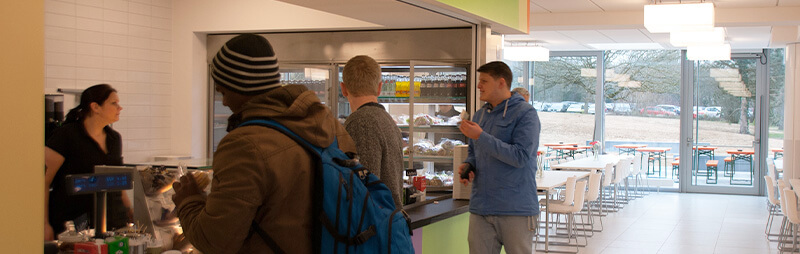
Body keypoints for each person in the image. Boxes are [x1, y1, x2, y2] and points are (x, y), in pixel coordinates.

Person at [171, 33, 357, 254]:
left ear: (241, 87)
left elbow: (216, 242)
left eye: (224, 91)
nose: (224, 102)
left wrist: (189, 200)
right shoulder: (331, 127)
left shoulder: (244, 146)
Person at [457, 61, 541, 254]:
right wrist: (469, 165)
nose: (479, 86)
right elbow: (474, 152)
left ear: (501, 83)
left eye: (484, 81)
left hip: (516, 209)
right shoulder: (479, 116)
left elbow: (520, 157)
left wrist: (481, 136)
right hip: (481, 208)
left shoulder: (526, 114)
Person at [44, 84, 128, 240]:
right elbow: (42, 181)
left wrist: (130, 213)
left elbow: (119, 181)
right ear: (95, 107)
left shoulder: (114, 138)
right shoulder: (66, 135)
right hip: (70, 226)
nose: (120, 108)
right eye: (113, 103)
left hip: (108, 223)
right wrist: (43, 224)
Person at [340, 55, 404, 208]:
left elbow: (364, 187)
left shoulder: (360, 122)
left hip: (373, 226)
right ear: (380, 87)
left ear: (343, 89)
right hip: (389, 221)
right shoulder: (387, 120)